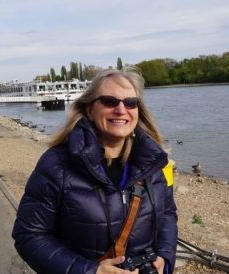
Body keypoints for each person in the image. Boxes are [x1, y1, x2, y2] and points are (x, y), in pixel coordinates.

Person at [12, 66, 178, 274]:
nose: (121, 109)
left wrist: (165, 257)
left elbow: (168, 215)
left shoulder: (152, 163)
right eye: (110, 101)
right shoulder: (57, 164)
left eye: (130, 103)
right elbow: (29, 235)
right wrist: (91, 271)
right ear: (90, 109)